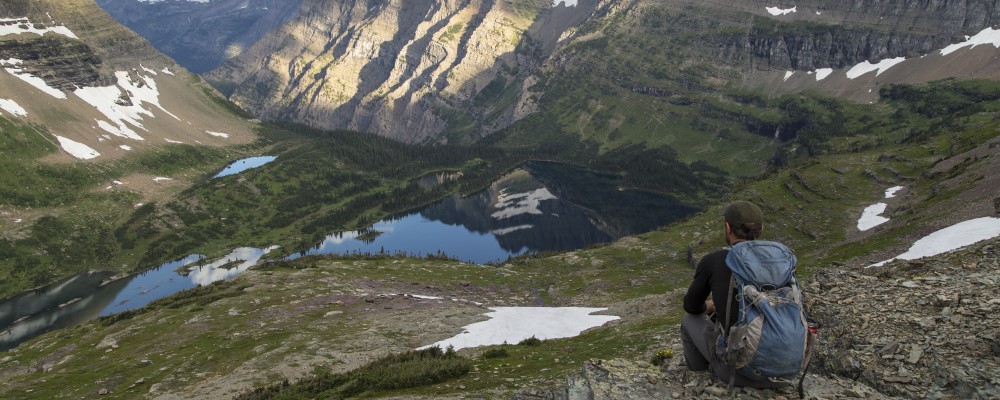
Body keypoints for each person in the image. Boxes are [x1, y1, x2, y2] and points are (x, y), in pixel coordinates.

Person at [679, 200, 787, 388]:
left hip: (739, 373)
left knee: (689, 319)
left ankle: (699, 374)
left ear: (728, 227)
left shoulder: (716, 260)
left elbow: (691, 306)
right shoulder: (781, 261)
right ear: (760, 229)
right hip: (784, 370)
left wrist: (710, 306)